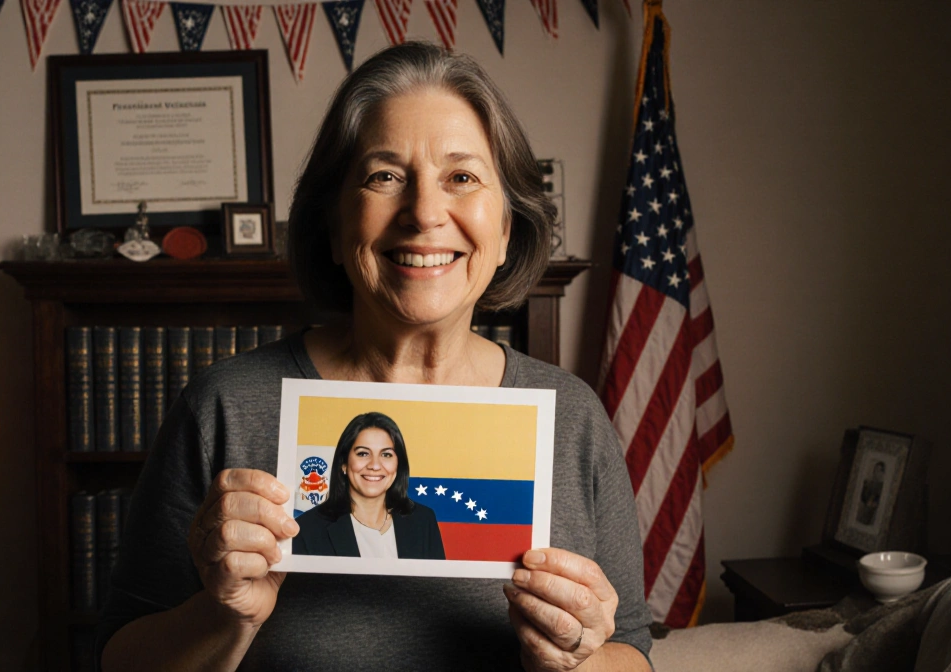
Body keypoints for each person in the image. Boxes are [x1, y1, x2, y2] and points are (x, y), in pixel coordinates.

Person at [100, 42, 654, 671]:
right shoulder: (225, 405)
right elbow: (120, 658)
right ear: (335, 228)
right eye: (384, 176)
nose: (423, 213)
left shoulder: (572, 418)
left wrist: (578, 660)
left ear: (506, 231)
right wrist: (224, 614)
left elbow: (631, 652)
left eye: (462, 177)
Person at [293, 411, 445, 559]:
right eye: (363, 453)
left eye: (386, 455)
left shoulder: (423, 521)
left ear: (398, 465)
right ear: (344, 464)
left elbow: (437, 585)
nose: (375, 465)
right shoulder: (306, 530)